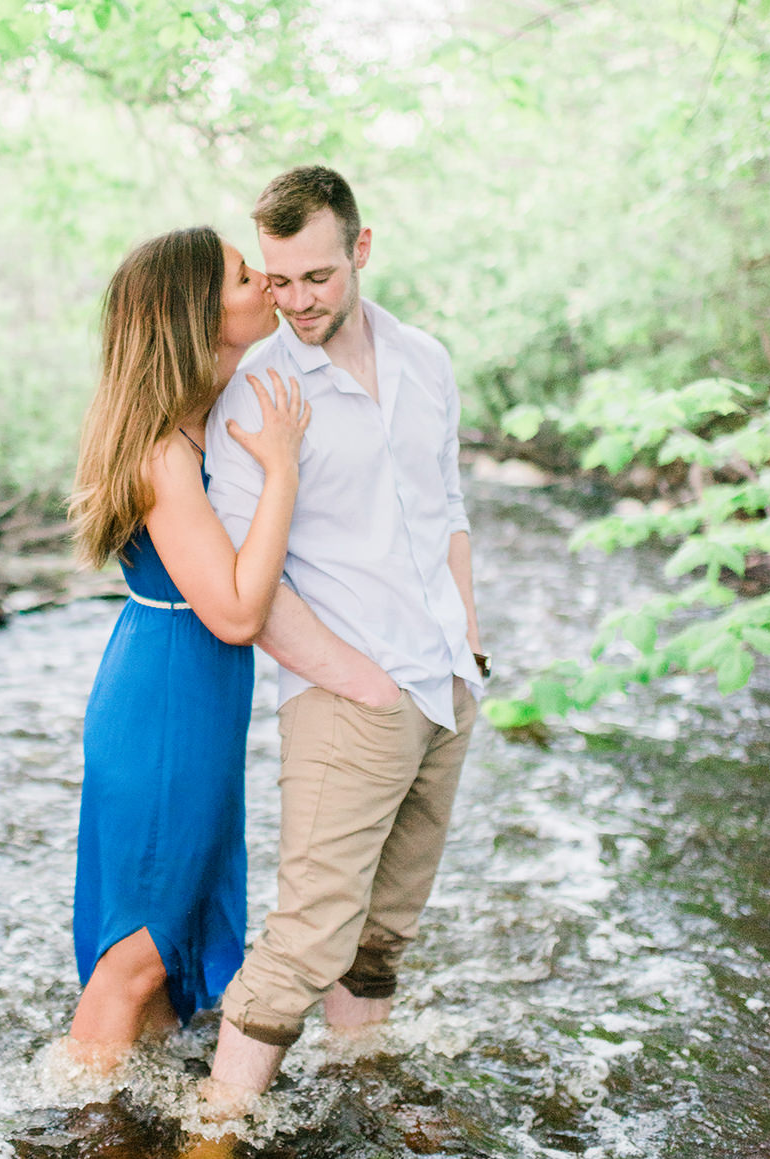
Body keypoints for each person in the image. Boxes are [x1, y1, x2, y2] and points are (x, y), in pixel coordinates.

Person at [202, 166, 487, 1107]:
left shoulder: (425, 359)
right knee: (306, 939)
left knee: (380, 938)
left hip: (443, 680)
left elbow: (446, 509)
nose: (293, 302)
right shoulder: (255, 395)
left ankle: (358, 1103)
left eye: (314, 278)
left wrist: (468, 653)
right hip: (348, 697)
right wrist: (359, 683)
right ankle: (217, 1138)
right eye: (275, 282)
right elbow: (255, 577)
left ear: (359, 250)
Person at [67, 225, 317, 1067]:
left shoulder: (200, 412)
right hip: (169, 698)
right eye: (250, 278)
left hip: (185, 694)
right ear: (197, 315)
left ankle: (130, 1135)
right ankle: (61, 1135)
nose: (271, 287)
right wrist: (281, 470)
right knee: (136, 956)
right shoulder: (164, 453)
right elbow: (238, 613)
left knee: (169, 946)